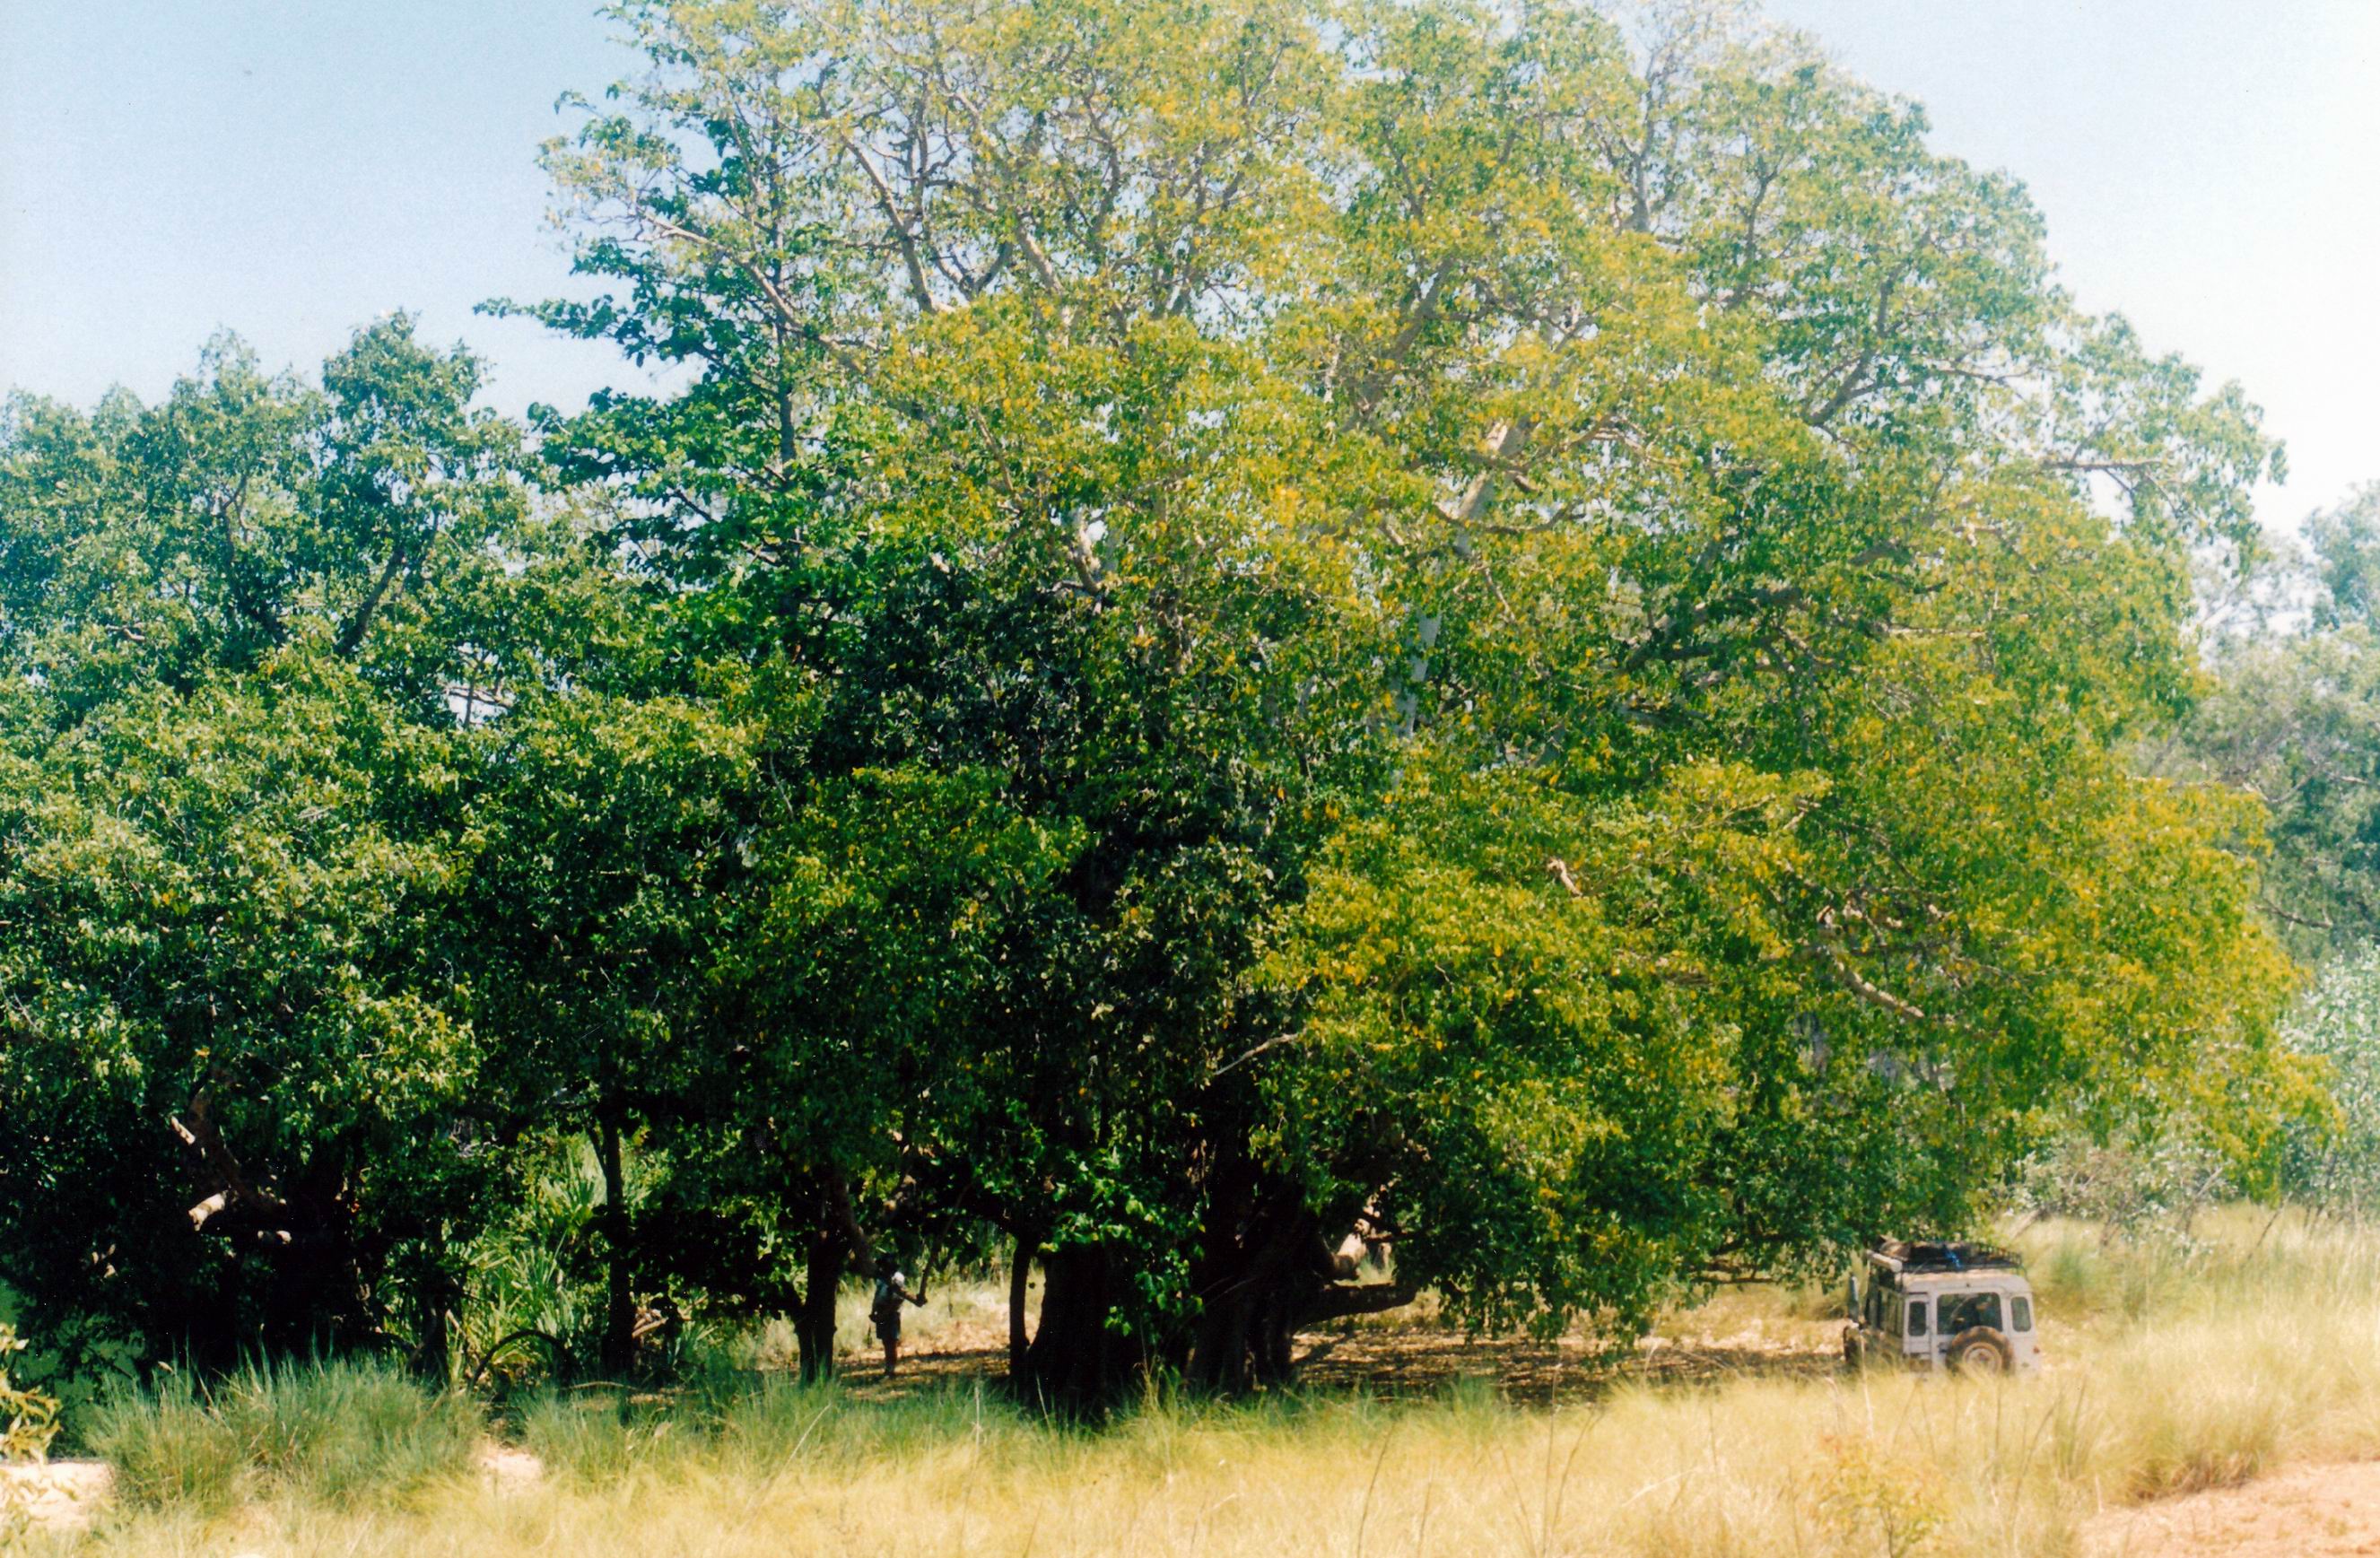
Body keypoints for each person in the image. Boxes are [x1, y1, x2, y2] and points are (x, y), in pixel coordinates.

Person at [869, 1251, 928, 1380]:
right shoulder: (881, 1278)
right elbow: (877, 1294)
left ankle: (891, 1369)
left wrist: (884, 1313)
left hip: (891, 1313)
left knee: (891, 1341)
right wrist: (874, 1311)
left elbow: (897, 1300)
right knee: (886, 1341)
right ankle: (887, 1368)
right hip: (881, 1311)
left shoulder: (897, 1278)